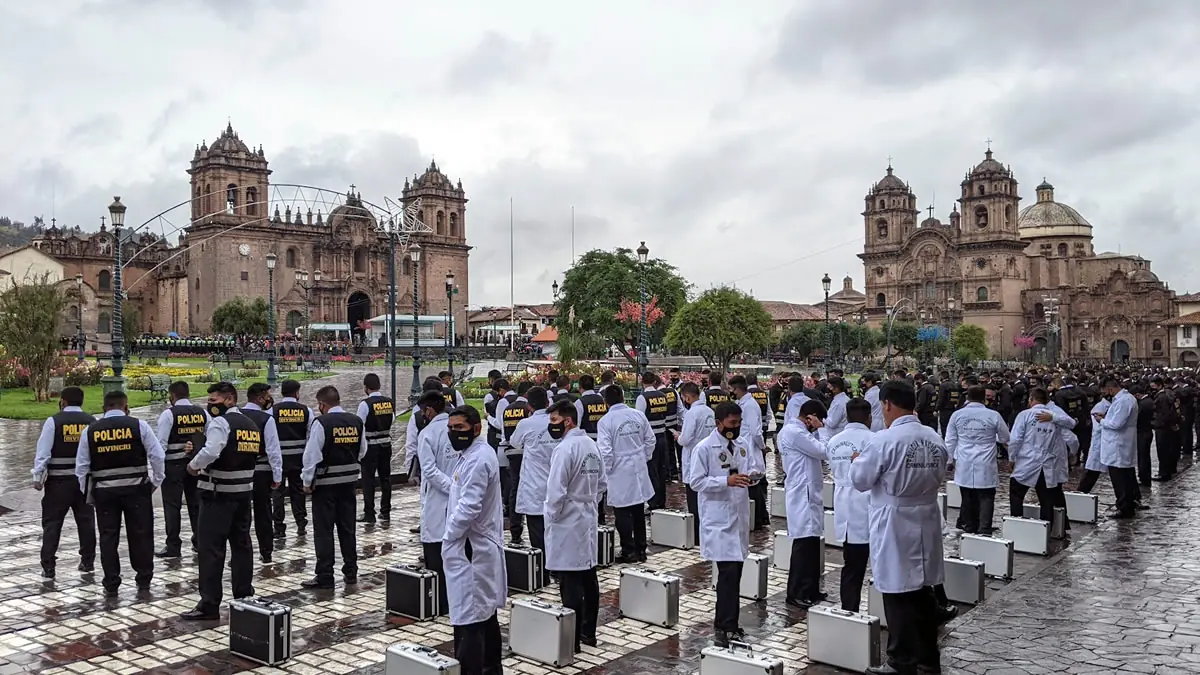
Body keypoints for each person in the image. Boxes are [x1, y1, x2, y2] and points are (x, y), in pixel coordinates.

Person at [850, 380, 948, 675]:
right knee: (923, 591)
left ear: (888, 404)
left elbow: (860, 480)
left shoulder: (884, 440)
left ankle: (900, 660)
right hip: (926, 514)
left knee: (897, 592)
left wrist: (857, 462)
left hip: (895, 518)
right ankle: (928, 659)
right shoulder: (933, 437)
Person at [182, 382, 279, 620]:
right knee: (242, 546)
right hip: (243, 494)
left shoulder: (221, 423)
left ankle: (209, 604)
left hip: (217, 495)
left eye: (214, 401)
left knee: (211, 550)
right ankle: (244, 596)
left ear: (229, 400)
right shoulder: (251, 425)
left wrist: (193, 465)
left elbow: (213, 451)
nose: (210, 405)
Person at [75, 390, 165, 597]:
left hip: (105, 493)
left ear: (104, 407)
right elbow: (157, 456)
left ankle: (111, 582)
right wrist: (155, 482)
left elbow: (81, 468)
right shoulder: (139, 425)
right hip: (137, 490)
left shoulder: (90, 431)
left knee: (108, 537)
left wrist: (90, 494)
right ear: (126, 407)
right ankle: (143, 579)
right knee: (141, 534)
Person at [690, 402, 762, 647]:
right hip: (718, 519)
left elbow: (751, 467)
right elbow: (696, 482)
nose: (737, 427)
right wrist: (725, 481)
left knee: (733, 573)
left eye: (739, 423)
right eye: (732, 423)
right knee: (729, 573)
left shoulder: (742, 445)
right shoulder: (704, 448)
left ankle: (723, 620)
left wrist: (752, 477)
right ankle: (729, 625)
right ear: (719, 423)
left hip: (738, 515)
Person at [442, 406, 506, 675]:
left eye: (459, 428)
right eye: (451, 428)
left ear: (476, 429)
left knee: (470, 620)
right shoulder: (470, 455)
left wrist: (448, 537)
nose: (453, 433)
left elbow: (469, 506)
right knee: (483, 614)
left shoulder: (479, 459)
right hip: (471, 546)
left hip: (472, 549)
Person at [544, 399, 607, 652]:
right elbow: (602, 482)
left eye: (554, 421)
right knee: (588, 576)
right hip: (586, 514)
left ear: (567, 421)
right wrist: (589, 499)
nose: (552, 426)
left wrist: (552, 516)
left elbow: (555, 490)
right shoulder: (591, 445)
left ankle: (572, 637)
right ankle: (588, 632)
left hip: (568, 517)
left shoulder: (565, 449)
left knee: (570, 581)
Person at [300, 385, 367, 588]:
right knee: (348, 529)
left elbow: (312, 455)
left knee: (324, 531)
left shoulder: (322, 423)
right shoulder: (356, 421)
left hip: (325, 485)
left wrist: (306, 481)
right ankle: (351, 570)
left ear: (322, 405)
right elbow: (363, 450)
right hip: (349, 484)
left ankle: (325, 575)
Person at [32, 386, 96, 578]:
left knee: (52, 523)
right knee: (86, 522)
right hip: (83, 483)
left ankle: (49, 565)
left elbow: (43, 452)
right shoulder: (91, 422)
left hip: (58, 482)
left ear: (63, 401)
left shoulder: (54, 421)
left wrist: (37, 477)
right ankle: (87, 561)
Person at [778, 399, 829, 608]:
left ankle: (810, 589)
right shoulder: (795, 432)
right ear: (810, 417)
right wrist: (822, 430)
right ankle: (797, 592)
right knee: (803, 546)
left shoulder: (799, 432)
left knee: (811, 544)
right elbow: (824, 451)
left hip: (807, 492)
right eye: (818, 420)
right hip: (802, 493)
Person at [596, 384, 655, 563]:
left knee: (622, 512)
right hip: (637, 466)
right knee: (638, 510)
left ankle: (629, 550)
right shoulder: (638, 415)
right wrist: (642, 457)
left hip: (619, 469)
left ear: (605, 402)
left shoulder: (606, 421)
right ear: (622, 397)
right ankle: (641, 549)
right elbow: (650, 440)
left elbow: (605, 452)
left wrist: (606, 473)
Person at [826, 398, 873, 612]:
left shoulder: (834, 441)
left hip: (843, 505)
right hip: (867, 505)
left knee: (851, 566)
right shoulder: (873, 440)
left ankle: (849, 608)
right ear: (869, 417)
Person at [945, 385, 1010, 535]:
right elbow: (1005, 437)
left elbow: (950, 440)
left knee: (967, 495)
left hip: (964, 458)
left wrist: (949, 460)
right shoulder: (993, 415)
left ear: (967, 397)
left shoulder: (957, 415)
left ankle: (969, 526)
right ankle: (984, 528)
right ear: (984, 398)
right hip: (985, 459)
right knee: (986, 495)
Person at [155, 381, 207, 558]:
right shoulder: (203, 413)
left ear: (172, 396)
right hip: (195, 465)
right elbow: (209, 436)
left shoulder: (169, 414)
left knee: (172, 507)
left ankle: (173, 545)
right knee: (196, 504)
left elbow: (160, 445)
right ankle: (200, 541)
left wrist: (158, 471)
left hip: (173, 467)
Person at [1007, 387, 1074, 523]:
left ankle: (1016, 522)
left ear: (1031, 399)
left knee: (1016, 493)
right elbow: (1071, 425)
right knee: (1046, 498)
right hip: (1046, 462)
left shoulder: (1025, 415)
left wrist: (1012, 458)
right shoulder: (1054, 416)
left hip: (1027, 459)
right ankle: (1047, 529)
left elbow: (1015, 439)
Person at [415, 390, 454, 615]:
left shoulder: (428, 433)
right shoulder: (455, 428)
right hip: (454, 494)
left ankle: (442, 602)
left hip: (440, 497)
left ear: (429, 410)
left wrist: (451, 487)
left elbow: (428, 469)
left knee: (438, 555)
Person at [512, 386, 555, 580]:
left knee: (537, 531)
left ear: (529, 405)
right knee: (555, 529)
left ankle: (542, 570)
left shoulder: (526, 423)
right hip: (555, 481)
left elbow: (514, 442)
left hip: (534, 484)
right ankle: (556, 566)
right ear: (547, 403)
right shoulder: (556, 421)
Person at [240, 383, 284, 563]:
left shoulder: (234, 416)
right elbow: (273, 450)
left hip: (239, 471)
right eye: (267, 395)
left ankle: (240, 551)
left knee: (240, 514)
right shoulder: (266, 419)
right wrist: (277, 475)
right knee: (263, 512)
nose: (269, 399)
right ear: (259, 398)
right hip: (261, 471)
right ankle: (266, 551)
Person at [271, 379, 313, 538]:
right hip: (298, 459)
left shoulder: (273, 411)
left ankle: (279, 528)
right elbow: (310, 435)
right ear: (297, 393)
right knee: (298, 492)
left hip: (279, 459)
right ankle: (301, 524)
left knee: (278, 493)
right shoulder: (306, 411)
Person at [674, 381, 714, 543]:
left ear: (688, 397)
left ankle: (697, 534)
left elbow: (686, 438)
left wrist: (678, 437)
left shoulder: (692, 413)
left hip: (694, 457)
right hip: (709, 457)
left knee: (694, 498)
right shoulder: (709, 411)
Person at [1096, 376, 1139, 519]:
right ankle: (1127, 503)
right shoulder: (1122, 400)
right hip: (1119, 444)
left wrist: (1101, 421)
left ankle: (1124, 507)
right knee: (1124, 476)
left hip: (1119, 444)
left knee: (1120, 479)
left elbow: (1116, 424)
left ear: (1110, 388)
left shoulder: (1124, 401)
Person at [356, 373, 396, 523]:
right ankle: (385, 511)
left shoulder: (365, 404)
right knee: (386, 479)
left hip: (370, 446)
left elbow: (359, 426)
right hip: (386, 444)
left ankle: (369, 513)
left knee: (368, 480)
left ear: (366, 388)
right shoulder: (389, 402)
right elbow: (392, 419)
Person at [497, 381, 534, 545]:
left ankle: (515, 528)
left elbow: (505, 431)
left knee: (514, 489)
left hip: (510, 450)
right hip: (526, 452)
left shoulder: (508, 408)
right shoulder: (529, 409)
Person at [635, 372, 670, 511]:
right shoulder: (662, 396)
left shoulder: (642, 398)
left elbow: (639, 420)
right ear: (655, 381)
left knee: (651, 470)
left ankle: (653, 501)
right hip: (662, 435)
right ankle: (661, 500)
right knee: (662, 469)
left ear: (642, 382)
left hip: (650, 438)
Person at [1149, 377, 1179, 481]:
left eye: (1154, 386)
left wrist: (1157, 423)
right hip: (1165, 426)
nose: (1152, 389)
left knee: (1162, 450)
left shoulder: (1161, 397)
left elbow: (1164, 414)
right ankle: (1167, 471)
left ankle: (1164, 473)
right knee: (1166, 449)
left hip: (1162, 427)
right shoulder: (1165, 395)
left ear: (1159, 385)